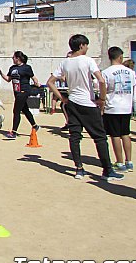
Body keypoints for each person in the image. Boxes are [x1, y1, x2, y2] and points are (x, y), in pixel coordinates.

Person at [47, 34, 123, 181]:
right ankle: (107, 170)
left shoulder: (65, 63)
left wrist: (62, 98)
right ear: (81, 45)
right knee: (100, 137)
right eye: (86, 45)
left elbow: (50, 82)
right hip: (87, 103)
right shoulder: (88, 61)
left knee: (74, 137)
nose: (87, 48)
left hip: (73, 103)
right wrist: (101, 98)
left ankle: (79, 169)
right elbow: (101, 80)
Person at [101, 47, 136, 173]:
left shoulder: (106, 72)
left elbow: (103, 90)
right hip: (126, 107)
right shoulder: (130, 72)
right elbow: (133, 89)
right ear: (120, 57)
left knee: (115, 135)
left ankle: (120, 161)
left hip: (113, 107)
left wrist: (102, 105)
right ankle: (129, 160)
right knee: (126, 134)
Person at [0, 51, 41, 139]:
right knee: (25, 109)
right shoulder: (12, 68)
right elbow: (8, 79)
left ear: (18, 58)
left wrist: (37, 83)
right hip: (16, 92)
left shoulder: (27, 67)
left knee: (16, 111)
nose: (12, 59)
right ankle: (35, 126)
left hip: (24, 91)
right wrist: (1, 73)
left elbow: (33, 77)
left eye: (13, 57)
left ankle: (14, 132)